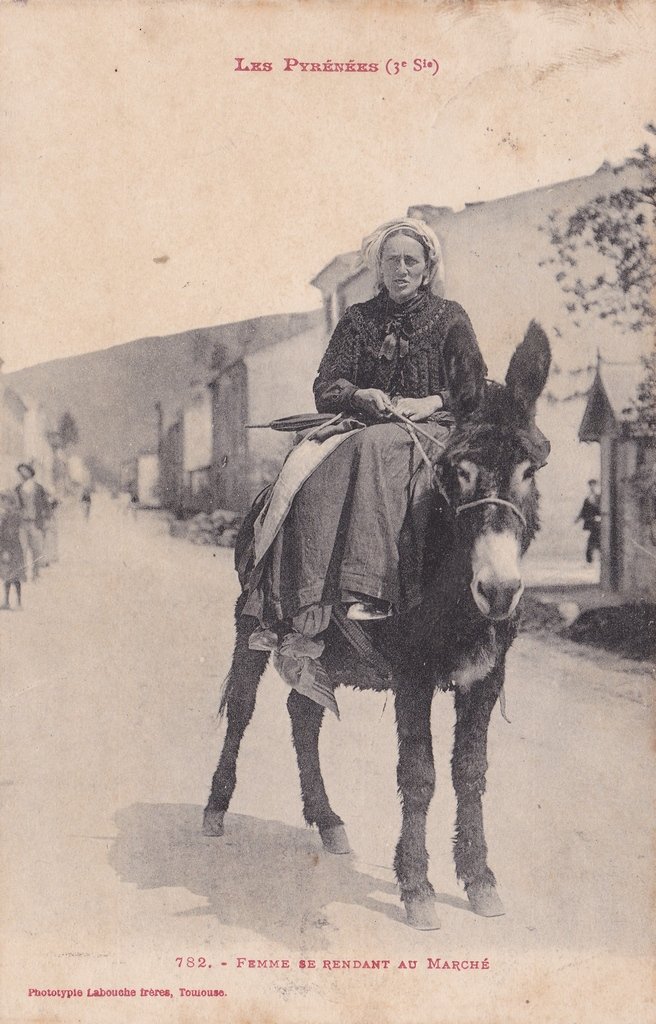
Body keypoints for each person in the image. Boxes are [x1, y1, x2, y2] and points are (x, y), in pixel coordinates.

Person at [241, 217, 487, 671]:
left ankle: (373, 589)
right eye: (391, 260)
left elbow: (476, 387)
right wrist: (358, 395)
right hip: (363, 425)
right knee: (305, 473)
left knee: (378, 452)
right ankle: (295, 607)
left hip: (436, 429)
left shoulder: (451, 318)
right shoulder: (358, 320)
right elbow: (325, 386)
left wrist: (430, 399)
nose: (401, 269)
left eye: (411, 260)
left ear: (428, 268)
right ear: (379, 268)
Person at [15, 463, 50, 581]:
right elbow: (15, 505)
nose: (22, 474)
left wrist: (46, 520)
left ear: (30, 472)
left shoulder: (38, 488)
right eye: (20, 472)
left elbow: (46, 505)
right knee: (22, 549)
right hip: (22, 523)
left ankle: (36, 574)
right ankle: (23, 574)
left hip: (36, 523)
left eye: (24, 471)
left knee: (37, 549)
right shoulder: (18, 488)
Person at [0, 491, 27, 609]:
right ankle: (7, 601)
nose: (2, 504)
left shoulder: (12, 516)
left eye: (3, 501)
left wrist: (5, 550)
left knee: (15, 576)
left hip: (12, 549)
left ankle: (18, 602)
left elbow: (10, 534)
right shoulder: (6, 515)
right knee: (7, 576)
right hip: (9, 549)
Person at [575, 479, 602, 563]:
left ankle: (590, 559)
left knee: (594, 542)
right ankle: (590, 560)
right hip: (592, 524)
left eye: (594, 485)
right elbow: (583, 510)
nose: (592, 487)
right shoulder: (588, 499)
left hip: (599, 523)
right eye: (590, 485)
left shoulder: (600, 498)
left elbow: (602, 509)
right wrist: (577, 519)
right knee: (595, 541)